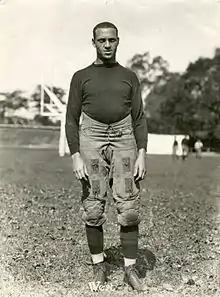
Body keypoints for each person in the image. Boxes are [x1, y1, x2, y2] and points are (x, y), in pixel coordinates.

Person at [65, 22, 148, 292]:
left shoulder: (129, 76)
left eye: (112, 40)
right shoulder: (81, 76)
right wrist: (76, 154)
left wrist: (142, 153)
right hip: (91, 137)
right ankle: (99, 267)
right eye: (102, 40)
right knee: (93, 206)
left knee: (129, 208)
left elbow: (138, 117)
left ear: (118, 41)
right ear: (94, 43)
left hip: (124, 137)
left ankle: (129, 270)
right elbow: (71, 118)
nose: (108, 45)